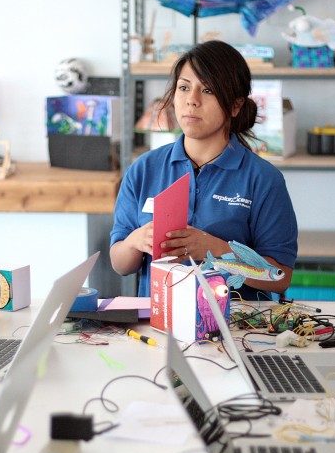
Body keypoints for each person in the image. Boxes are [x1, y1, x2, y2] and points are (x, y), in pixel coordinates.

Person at [110, 40, 298, 298]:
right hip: (160, 325)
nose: (192, 101)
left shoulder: (263, 179)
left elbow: (280, 277)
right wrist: (135, 241)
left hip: (236, 329)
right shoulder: (143, 169)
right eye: (184, 88)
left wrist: (217, 250)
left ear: (235, 106)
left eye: (207, 90)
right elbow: (120, 265)